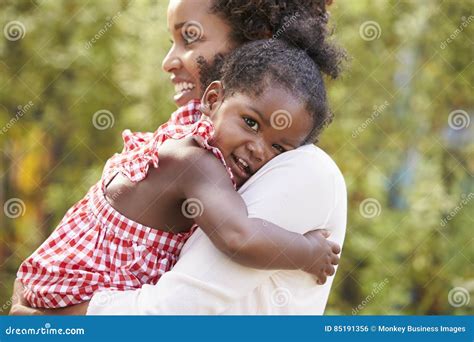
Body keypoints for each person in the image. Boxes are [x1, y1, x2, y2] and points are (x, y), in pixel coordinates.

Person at [10, 0, 347, 315]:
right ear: (215, 99)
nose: (168, 61)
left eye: (190, 37)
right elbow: (238, 236)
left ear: (255, 36)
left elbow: (171, 311)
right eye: (250, 123)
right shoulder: (195, 147)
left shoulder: (302, 171)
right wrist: (308, 252)